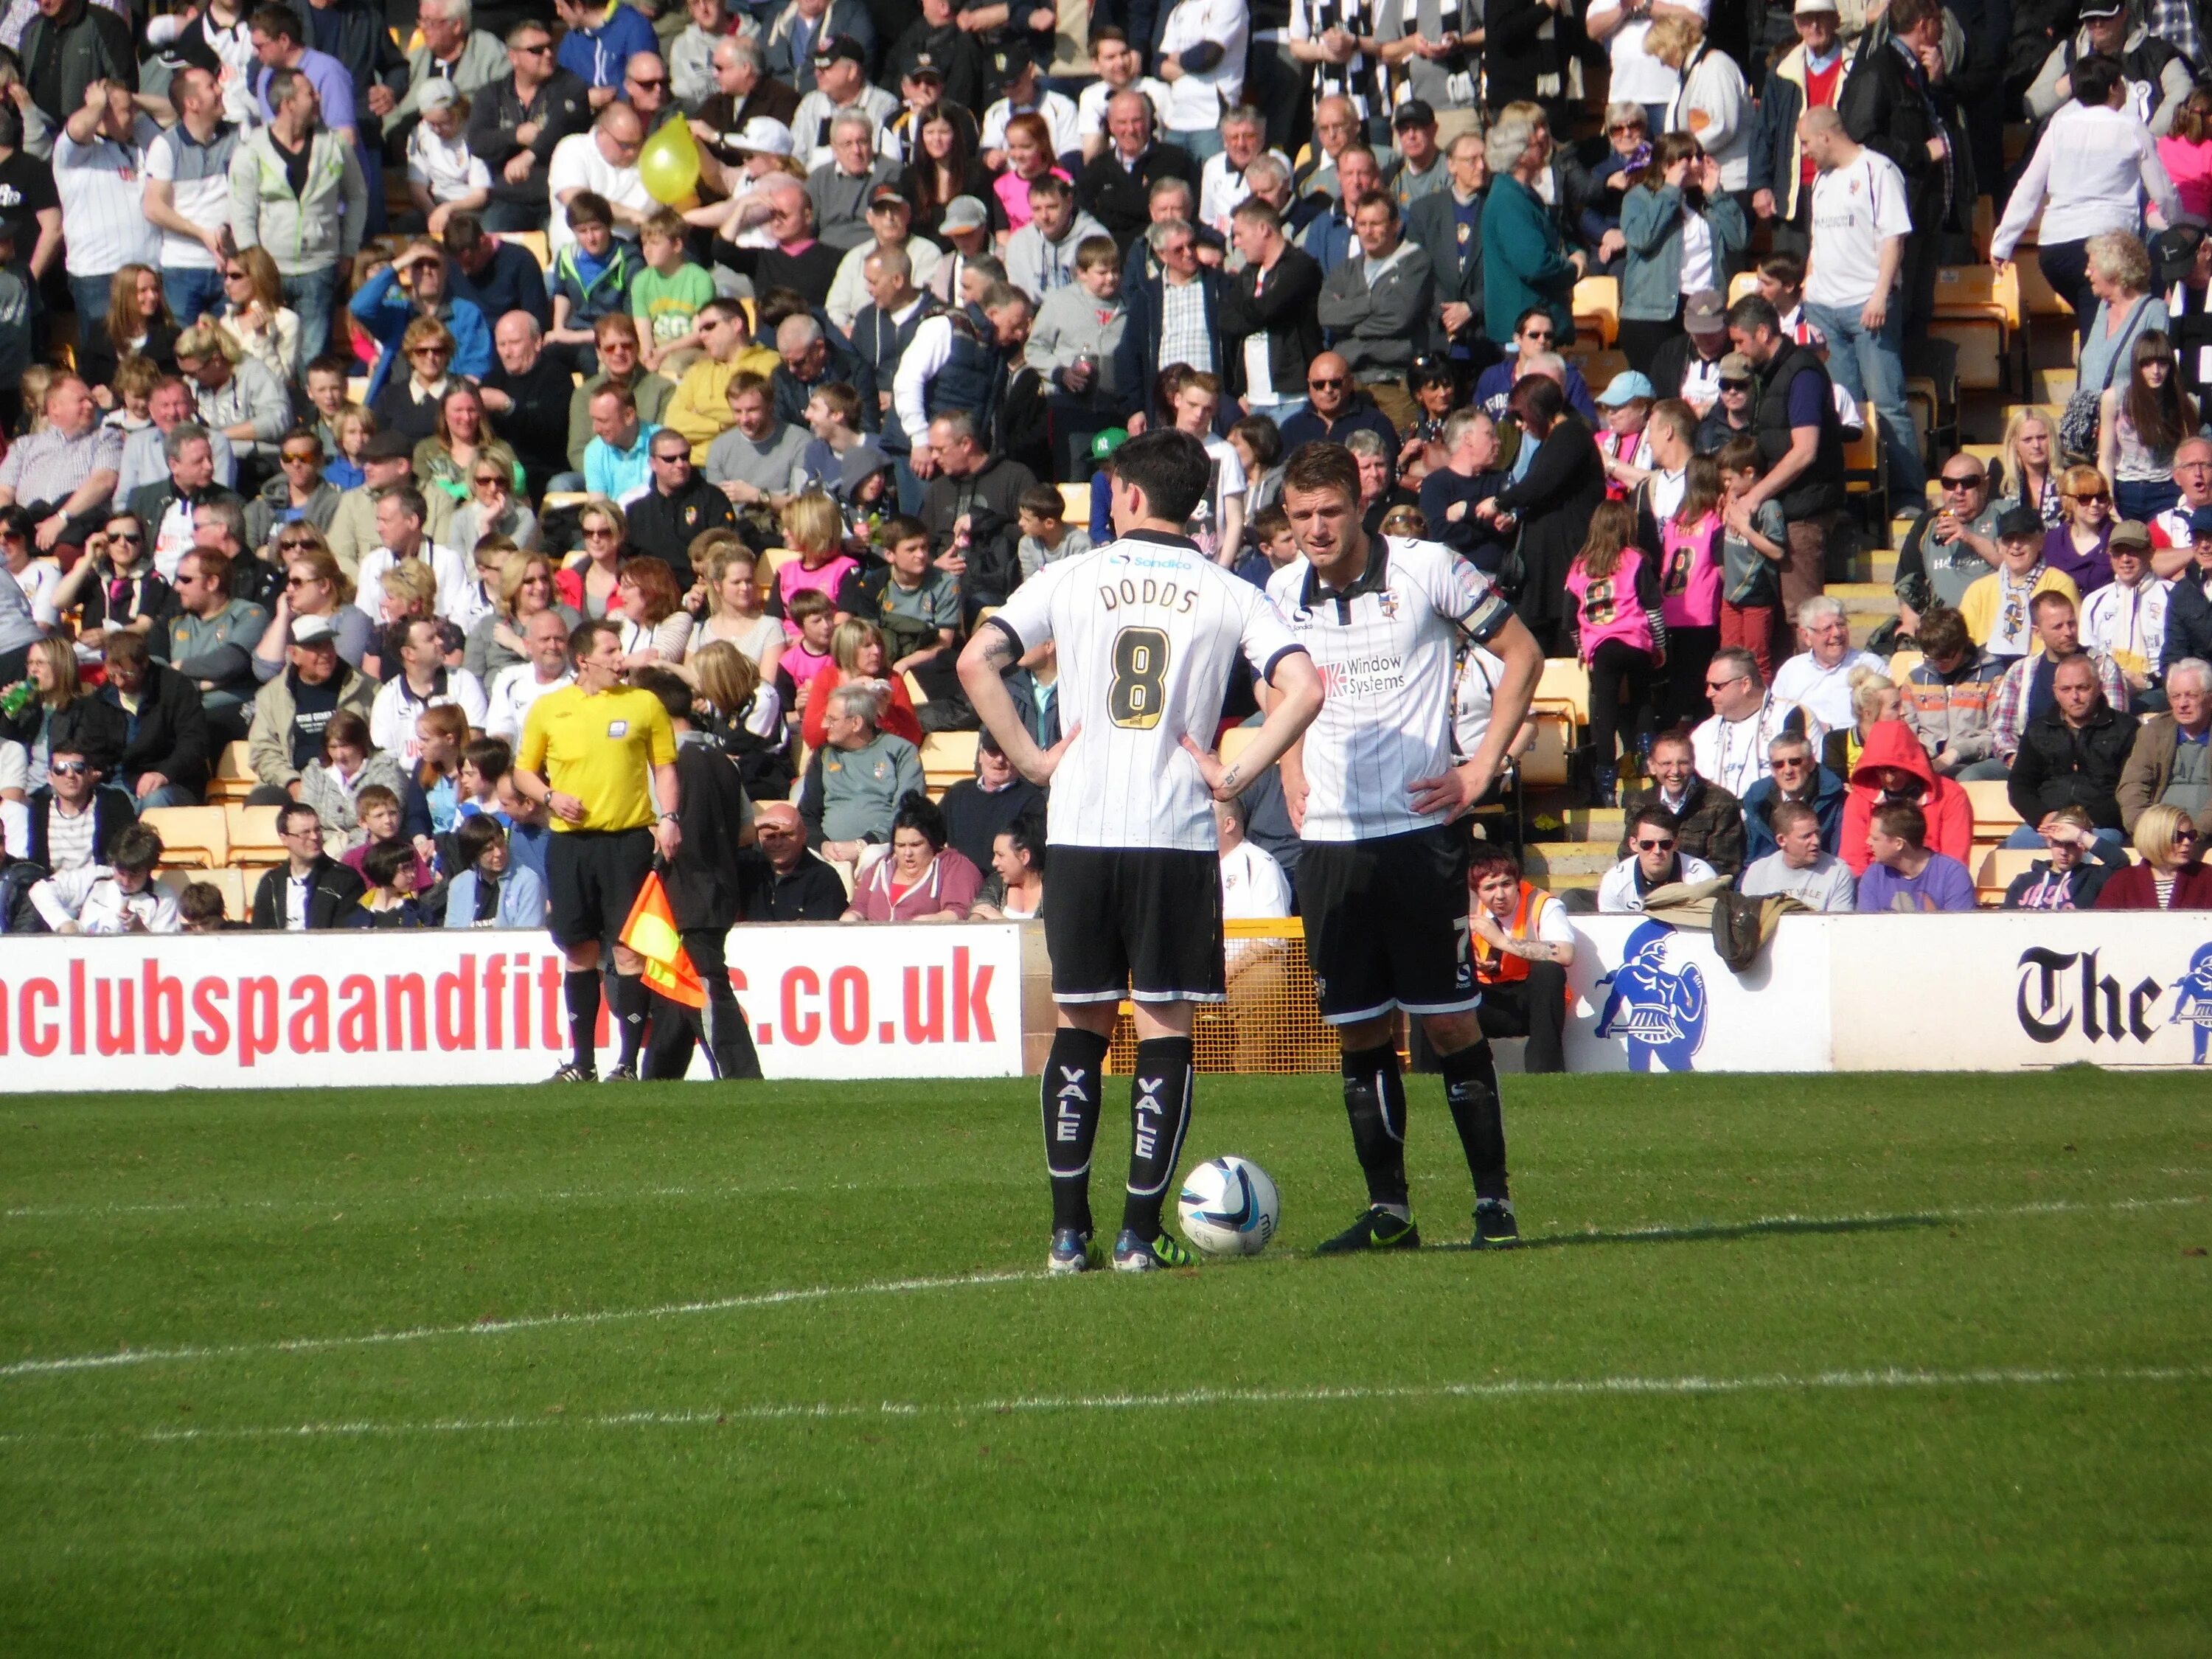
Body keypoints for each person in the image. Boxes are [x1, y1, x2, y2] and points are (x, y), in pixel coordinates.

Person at [956, 427, 1323, 1275]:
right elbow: (1306, 687)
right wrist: (1237, 771)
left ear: (1123, 494)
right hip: (1173, 833)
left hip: (1081, 831)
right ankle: (1136, 1235)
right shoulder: (1228, 589)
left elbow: (979, 661)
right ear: (1193, 502)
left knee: (1080, 1027)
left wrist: (1032, 760)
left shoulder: (1072, 575)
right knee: (1163, 1030)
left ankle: (1065, 1236)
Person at [1253, 439, 1539, 1251]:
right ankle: (1390, 1214)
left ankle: (1493, 1204)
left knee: (1449, 1024)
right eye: (1301, 516)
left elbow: (1522, 653)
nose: (1314, 528)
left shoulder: (1431, 569)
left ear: (1360, 505)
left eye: (1329, 512)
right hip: (1333, 848)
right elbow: (1275, 686)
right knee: (1358, 1029)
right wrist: (1292, 765)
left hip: (1420, 837)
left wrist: (1480, 768)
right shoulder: (1278, 590)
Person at [512, 618, 681, 1082]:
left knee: (628, 951)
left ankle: (628, 1062)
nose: (620, 659)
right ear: (583, 658)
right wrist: (549, 796)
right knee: (578, 951)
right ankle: (582, 1062)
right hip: (570, 844)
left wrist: (669, 817)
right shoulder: (550, 708)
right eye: (610, 651)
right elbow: (523, 772)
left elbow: (665, 768)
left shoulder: (644, 703)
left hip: (626, 841)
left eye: (621, 649)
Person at [611, 667, 761, 1082]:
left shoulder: (663, 765)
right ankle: (659, 1076)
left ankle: (742, 1076)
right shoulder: (721, 761)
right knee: (677, 986)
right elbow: (748, 831)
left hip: (680, 889)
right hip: (718, 885)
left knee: (703, 985)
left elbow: (655, 831)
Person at [1998, 52, 2181, 342]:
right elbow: (2162, 192)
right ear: (2112, 88)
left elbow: (2028, 187)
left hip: (2055, 252)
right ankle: (2092, 387)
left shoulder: (2058, 126)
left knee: (2100, 327)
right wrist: (2177, 221)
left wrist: (2003, 242)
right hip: (2106, 251)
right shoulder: (2131, 127)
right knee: (2101, 338)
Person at [1795, 108, 1921, 501]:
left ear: (1826, 137)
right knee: (1842, 409)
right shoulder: (1821, 181)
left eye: (1806, 143)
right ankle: (1851, 497)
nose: (1804, 152)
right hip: (1823, 309)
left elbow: (1893, 238)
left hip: (1867, 307)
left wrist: (1880, 294)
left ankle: (1906, 497)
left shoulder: (1878, 171)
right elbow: (1818, 241)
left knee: (1887, 403)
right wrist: (1807, 284)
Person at [228, 65, 369, 366]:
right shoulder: (251, 150)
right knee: (266, 349)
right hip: (269, 269)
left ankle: (309, 409)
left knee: (313, 353)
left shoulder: (334, 145)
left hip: (319, 266)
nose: (318, 97)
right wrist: (252, 263)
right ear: (288, 103)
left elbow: (357, 196)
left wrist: (349, 249)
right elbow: (242, 211)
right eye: (310, 92)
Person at [1725, 293, 1841, 633]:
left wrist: (1754, 496)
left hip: (1803, 514)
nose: (1737, 351)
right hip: (1780, 511)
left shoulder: (1802, 374)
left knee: (1803, 622)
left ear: (1762, 333)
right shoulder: (1768, 374)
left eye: (1740, 342)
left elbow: (1805, 451)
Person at [470, 19, 594, 233]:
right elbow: (478, 141)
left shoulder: (571, 87)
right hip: (509, 200)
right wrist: (515, 136)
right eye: (537, 50)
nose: (548, 54)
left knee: (564, 239)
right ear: (513, 57)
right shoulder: (491, 94)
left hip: (557, 197)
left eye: (550, 47)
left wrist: (530, 156)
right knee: (491, 232)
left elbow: (561, 128)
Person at [1986, 590, 2131, 769]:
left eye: (2072, 624)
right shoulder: (2019, 672)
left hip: (2086, 762)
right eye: (2058, 627)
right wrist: (2012, 757)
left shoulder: (2102, 666)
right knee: (1973, 776)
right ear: (2037, 632)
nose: (2068, 632)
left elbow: (2115, 724)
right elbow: (2002, 728)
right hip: (2029, 760)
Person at [2005, 652, 2136, 844]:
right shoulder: (2037, 730)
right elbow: (2020, 785)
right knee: (2015, 846)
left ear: (2099, 688)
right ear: (2055, 691)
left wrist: (2082, 821)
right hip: (2046, 825)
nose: (2075, 697)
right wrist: (2043, 817)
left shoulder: (2126, 729)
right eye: (2066, 689)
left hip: (2100, 827)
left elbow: (2129, 789)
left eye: (2082, 688)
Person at [1480, 113, 1583, 347]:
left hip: (1538, 327)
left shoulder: (1521, 195)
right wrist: (1573, 269)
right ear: (1521, 155)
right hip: (1527, 335)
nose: (1544, 144)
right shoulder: (1509, 201)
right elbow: (1535, 264)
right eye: (1536, 144)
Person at [797, 678, 923, 855]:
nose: (824, 725)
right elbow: (807, 812)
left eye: (832, 719)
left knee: (872, 856)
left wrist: (864, 844)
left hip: (882, 847)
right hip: (828, 849)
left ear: (856, 723)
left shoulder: (901, 751)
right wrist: (822, 845)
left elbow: (908, 809)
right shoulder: (824, 755)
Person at [1842, 718, 1973, 876]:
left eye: (1895, 770)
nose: (1889, 778)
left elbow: (1954, 864)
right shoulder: (1859, 799)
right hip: (1876, 886)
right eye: (1881, 770)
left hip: (1934, 886)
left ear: (1911, 764)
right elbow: (1854, 862)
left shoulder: (1951, 796)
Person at [1691, 644, 1820, 799]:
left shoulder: (1791, 716)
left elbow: (1811, 778)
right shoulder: (1703, 733)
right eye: (1708, 685)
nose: (1708, 694)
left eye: (1717, 686)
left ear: (1746, 684)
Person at [1618, 726, 1745, 876]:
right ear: (1652, 766)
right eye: (1666, 764)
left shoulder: (1721, 803)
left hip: (1701, 892)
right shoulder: (1639, 804)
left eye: (1683, 763)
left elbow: (1725, 865)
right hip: (1650, 891)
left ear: (1693, 763)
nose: (1675, 771)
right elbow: (1628, 856)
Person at [2101, 333, 2195, 525]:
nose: (2156, 371)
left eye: (2163, 363)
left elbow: (2189, 455)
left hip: (2166, 489)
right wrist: (2108, 500)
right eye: (2147, 364)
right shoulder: (2115, 398)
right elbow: (2106, 456)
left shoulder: (2183, 402)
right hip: (2125, 489)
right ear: (2137, 366)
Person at [1902, 605, 2005, 779]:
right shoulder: (1915, 681)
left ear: (1962, 645)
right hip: (1928, 761)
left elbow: (1998, 733)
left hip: (1974, 760)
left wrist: (1957, 753)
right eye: (1933, 658)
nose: (1940, 664)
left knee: (1961, 778)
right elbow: (1907, 732)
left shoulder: (1993, 676)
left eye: (1947, 658)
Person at [2118, 656, 2212, 838]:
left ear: (2210, 699)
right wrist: (2145, 830)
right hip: (2158, 835)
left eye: (2191, 695)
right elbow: (2132, 786)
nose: (2183, 704)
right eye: (2176, 696)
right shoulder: (2153, 732)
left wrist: (2192, 836)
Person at [28, 823, 178, 936]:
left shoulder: (163, 897)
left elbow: (167, 953)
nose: (126, 881)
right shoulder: (97, 877)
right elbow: (40, 890)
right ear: (112, 863)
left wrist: (141, 931)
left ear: (148, 868)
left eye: (134, 874)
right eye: (121, 872)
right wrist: (64, 923)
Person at [1769, 597, 1888, 731]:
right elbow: (1774, 719)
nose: (1837, 633)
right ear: (1806, 636)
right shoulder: (1791, 670)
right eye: (1827, 629)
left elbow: (1889, 713)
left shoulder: (1871, 665)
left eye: (1841, 625)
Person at [249, 799, 369, 928]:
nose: (314, 837)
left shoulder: (345, 880)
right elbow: (258, 934)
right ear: (284, 839)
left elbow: (350, 935)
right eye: (305, 832)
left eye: (317, 830)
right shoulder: (271, 883)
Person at [2082, 522, 2169, 696]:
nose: (2125, 559)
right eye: (2118, 552)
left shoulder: (2172, 595)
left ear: (2150, 553)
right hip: (2107, 690)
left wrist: (2147, 682)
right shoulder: (2093, 602)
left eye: (2133, 551)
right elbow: (2087, 655)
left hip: (2159, 689)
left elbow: (2181, 657)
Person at [1737, 793, 1855, 911]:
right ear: (1782, 840)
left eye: (1817, 833)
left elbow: (1838, 925)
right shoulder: (1758, 872)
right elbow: (1747, 923)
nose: (1816, 841)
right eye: (1806, 836)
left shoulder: (1838, 871)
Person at [1857, 798, 1977, 911]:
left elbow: (1959, 929)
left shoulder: (1952, 876)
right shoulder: (1875, 875)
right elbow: (1867, 929)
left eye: (1875, 838)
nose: (1868, 842)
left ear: (1898, 843)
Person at [1599, 803, 1721, 912]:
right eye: (1647, 844)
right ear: (1633, 844)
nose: (1657, 851)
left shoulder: (1701, 877)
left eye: (1665, 844)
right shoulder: (1615, 883)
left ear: (1676, 844)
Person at [742, 798, 849, 919]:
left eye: (786, 835)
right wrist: (751, 827)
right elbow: (719, 855)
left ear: (804, 835)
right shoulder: (747, 868)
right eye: (770, 837)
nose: (778, 844)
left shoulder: (823, 878)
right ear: (759, 838)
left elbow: (823, 934)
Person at [2096, 801, 2212, 907]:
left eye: (2191, 835)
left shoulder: (2207, 876)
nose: (2187, 842)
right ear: (2155, 838)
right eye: (2178, 837)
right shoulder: (2123, 881)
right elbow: (2104, 925)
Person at [2001, 804, 2119, 909]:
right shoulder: (2023, 882)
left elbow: (2120, 862)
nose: (2064, 852)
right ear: (2049, 841)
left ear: (2084, 846)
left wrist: (2080, 835)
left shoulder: (2092, 878)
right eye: (2058, 842)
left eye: (2071, 844)